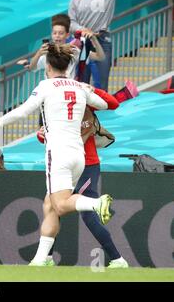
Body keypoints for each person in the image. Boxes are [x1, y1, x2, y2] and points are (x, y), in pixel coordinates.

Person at [0, 44, 113, 266]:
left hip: (58, 153)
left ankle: (96, 204)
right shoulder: (78, 86)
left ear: (48, 66)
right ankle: (41, 259)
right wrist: (88, 90)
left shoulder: (45, 86)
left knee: (60, 205)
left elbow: (22, 112)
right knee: (49, 205)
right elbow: (105, 104)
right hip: (78, 154)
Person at [35, 88, 129, 268]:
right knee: (52, 207)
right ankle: (46, 257)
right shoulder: (53, 105)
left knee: (87, 215)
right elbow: (44, 136)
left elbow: (114, 103)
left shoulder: (82, 98)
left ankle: (117, 259)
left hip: (88, 164)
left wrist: (93, 89)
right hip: (63, 164)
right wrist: (41, 135)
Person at [69, 0, 122, 91]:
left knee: (102, 81)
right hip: (83, 41)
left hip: (102, 40)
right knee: (82, 82)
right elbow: (71, 23)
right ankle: (84, 107)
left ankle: (102, 107)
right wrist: (84, 30)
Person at [28, 13, 105, 80]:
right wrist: (38, 54)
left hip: (68, 91)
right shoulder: (46, 52)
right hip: (51, 93)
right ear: (51, 34)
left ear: (67, 35)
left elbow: (100, 57)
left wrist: (94, 39)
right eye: (54, 33)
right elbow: (32, 68)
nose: (57, 36)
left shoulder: (74, 50)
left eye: (61, 33)